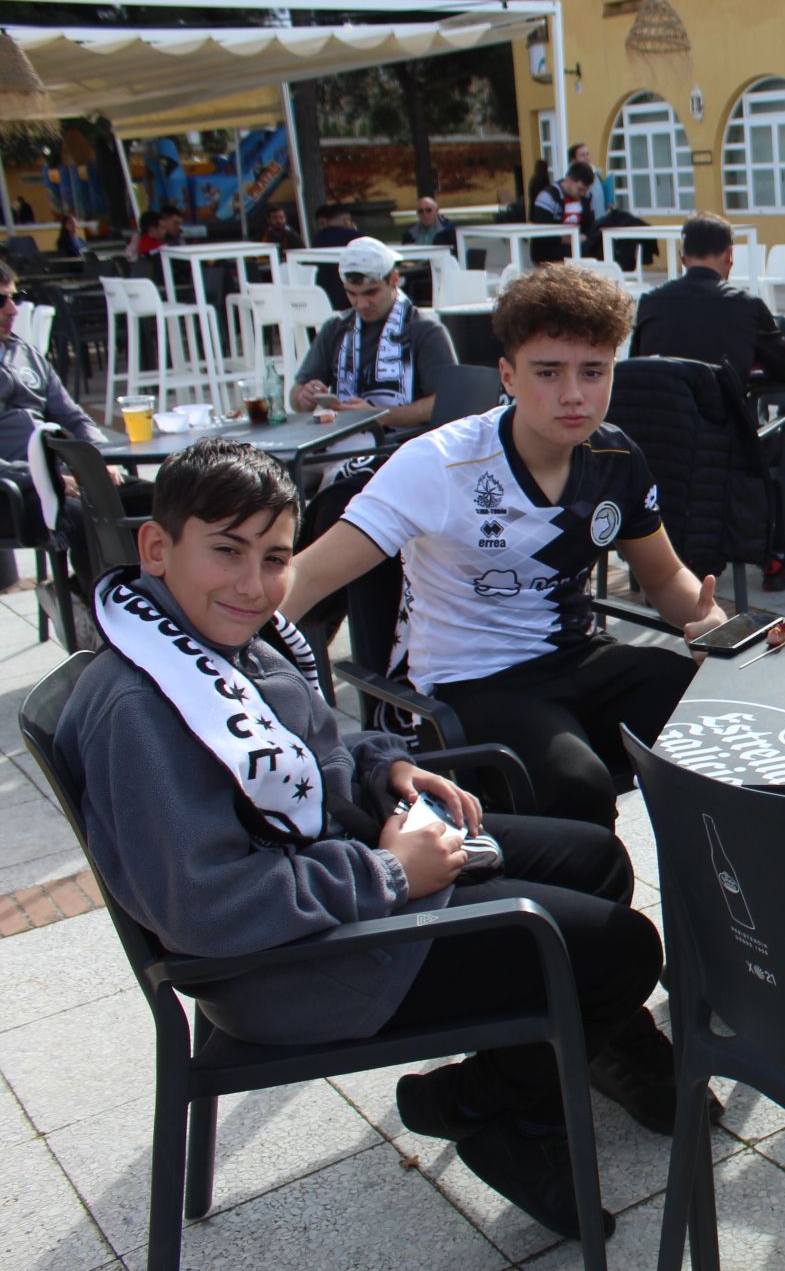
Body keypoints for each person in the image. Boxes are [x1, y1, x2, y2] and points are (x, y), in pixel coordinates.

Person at [52, 438, 687, 1240]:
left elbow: (312, 748)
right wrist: (390, 874)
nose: (254, 585)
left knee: (594, 857)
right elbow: (207, 909)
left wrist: (387, 770)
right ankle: (491, 1110)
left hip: (335, 882)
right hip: (292, 963)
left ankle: (534, 1074)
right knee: (624, 951)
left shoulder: (205, 637)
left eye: (275, 557)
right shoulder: (140, 708)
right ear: (156, 546)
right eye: (226, 552)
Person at [280, 263, 728, 828]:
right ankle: (594, 912)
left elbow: (665, 579)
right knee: (577, 789)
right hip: (472, 681)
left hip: (577, 657)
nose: (573, 395)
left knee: (727, 723)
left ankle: (719, 899)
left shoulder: (617, 458)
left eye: (594, 372)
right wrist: (213, 661)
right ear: (508, 377)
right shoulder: (439, 463)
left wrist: (707, 618)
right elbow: (306, 579)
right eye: (547, 372)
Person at [0, 259, 146, 586]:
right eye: (1, 301)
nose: (12, 310)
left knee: (162, 499)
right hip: (14, 491)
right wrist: (42, 478)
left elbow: (73, 416)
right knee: (92, 521)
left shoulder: (25, 354)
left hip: (63, 477)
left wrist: (95, 459)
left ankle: (164, 608)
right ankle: (98, 611)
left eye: (14, 297)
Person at [289, 236, 455, 431]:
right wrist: (304, 398)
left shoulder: (426, 330)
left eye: (371, 293)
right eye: (352, 293)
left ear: (394, 279)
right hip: (341, 440)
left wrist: (379, 416)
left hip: (403, 443)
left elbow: (447, 401)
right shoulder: (335, 327)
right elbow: (295, 394)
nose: (361, 304)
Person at [630, 212, 785, 386]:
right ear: (729, 255)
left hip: (663, 410)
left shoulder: (649, 302)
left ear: (682, 256)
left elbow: (635, 368)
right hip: (721, 412)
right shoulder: (748, 307)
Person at [530, 162, 596, 263]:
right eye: (580, 189)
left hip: (578, 249)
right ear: (568, 181)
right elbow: (542, 234)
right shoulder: (548, 197)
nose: (582, 194)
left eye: (585, 190)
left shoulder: (585, 199)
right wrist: (571, 240)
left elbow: (590, 227)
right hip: (550, 253)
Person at [568, 142, 615, 218]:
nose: (587, 157)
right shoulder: (573, 178)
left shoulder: (596, 174)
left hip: (600, 219)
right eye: (582, 155)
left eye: (587, 154)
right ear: (573, 160)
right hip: (586, 222)